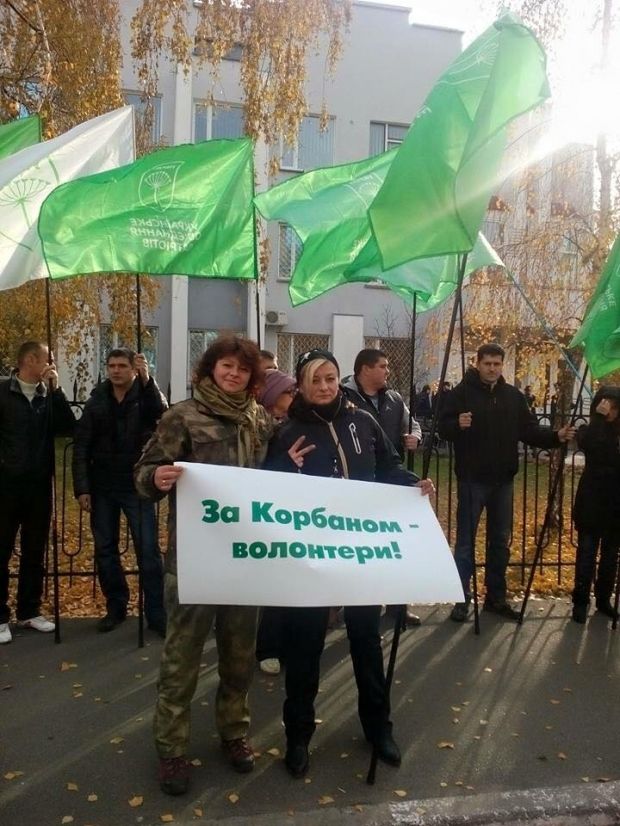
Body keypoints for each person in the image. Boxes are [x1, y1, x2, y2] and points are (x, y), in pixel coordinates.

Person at [265, 349, 434, 778]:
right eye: (315, 379)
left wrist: (415, 483)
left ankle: (378, 728)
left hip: (360, 553)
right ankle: (298, 735)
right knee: (304, 651)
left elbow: (389, 465)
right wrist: (285, 466)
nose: (324, 386)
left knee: (366, 644)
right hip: (311, 559)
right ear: (300, 384)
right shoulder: (287, 432)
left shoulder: (362, 419)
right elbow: (265, 491)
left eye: (330, 378)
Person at [134, 336, 273, 797]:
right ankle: (171, 749)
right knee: (182, 661)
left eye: (242, 369)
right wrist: (156, 477)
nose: (233, 374)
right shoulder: (182, 416)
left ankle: (234, 733)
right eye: (226, 366)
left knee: (239, 659)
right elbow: (145, 472)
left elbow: (268, 481)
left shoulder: (258, 419)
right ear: (211, 369)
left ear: (253, 377)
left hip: (243, 561)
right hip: (192, 559)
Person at [439, 343, 575, 623]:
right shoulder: (460, 394)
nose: (492, 368)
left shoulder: (513, 396)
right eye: (487, 363)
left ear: (502, 365)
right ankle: (461, 599)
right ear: (477, 363)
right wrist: (457, 425)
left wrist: (555, 437)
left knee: (500, 542)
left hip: (503, 481)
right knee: (465, 543)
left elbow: (528, 430)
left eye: (497, 364)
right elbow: (441, 428)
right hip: (471, 480)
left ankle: (495, 598)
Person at [73, 348, 167, 635]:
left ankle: (156, 613)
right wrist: (82, 487)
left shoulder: (144, 395)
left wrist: (149, 381)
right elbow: (81, 445)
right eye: (111, 365)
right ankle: (116, 607)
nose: (116, 370)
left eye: (122, 365)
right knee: (105, 549)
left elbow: (163, 417)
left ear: (132, 368)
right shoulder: (97, 400)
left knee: (148, 551)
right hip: (102, 486)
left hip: (136, 484)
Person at [0, 341, 75, 645]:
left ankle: (29, 609)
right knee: (1, 550)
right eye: (48, 358)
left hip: (38, 487)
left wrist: (57, 391)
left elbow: (68, 427)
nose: (51, 363)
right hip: (5, 487)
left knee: (34, 551)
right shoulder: (3, 392)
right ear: (31, 360)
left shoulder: (47, 396)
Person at [342, 348, 423, 627]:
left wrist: (415, 436)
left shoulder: (394, 399)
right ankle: (354, 608)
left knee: (394, 546)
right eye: (383, 366)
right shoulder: (343, 397)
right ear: (365, 369)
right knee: (361, 549)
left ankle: (398, 606)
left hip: (391, 481)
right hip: (357, 484)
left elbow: (412, 425)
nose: (388, 371)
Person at [255, 369, 297, 675]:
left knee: (290, 582)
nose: (293, 397)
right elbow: (253, 470)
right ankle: (267, 647)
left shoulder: (293, 425)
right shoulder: (255, 427)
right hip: (264, 515)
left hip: (292, 513)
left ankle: (288, 643)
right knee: (271, 584)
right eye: (288, 392)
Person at [570, 386, 620, 624]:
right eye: (604, 403)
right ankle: (580, 600)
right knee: (587, 552)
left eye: (613, 405)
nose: (608, 408)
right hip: (592, 498)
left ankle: (603, 598)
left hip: (616, 501)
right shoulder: (589, 430)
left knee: (610, 556)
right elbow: (588, 444)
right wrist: (599, 419)